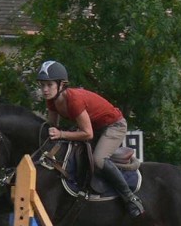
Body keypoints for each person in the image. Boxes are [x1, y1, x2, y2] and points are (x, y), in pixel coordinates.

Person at [37, 60, 145, 217]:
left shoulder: (73, 100)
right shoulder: (51, 100)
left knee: (98, 159)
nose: (45, 89)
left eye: (49, 85)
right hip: (95, 127)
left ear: (61, 85)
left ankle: (130, 198)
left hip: (114, 125)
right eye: (42, 85)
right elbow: (52, 126)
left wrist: (61, 134)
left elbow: (88, 134)